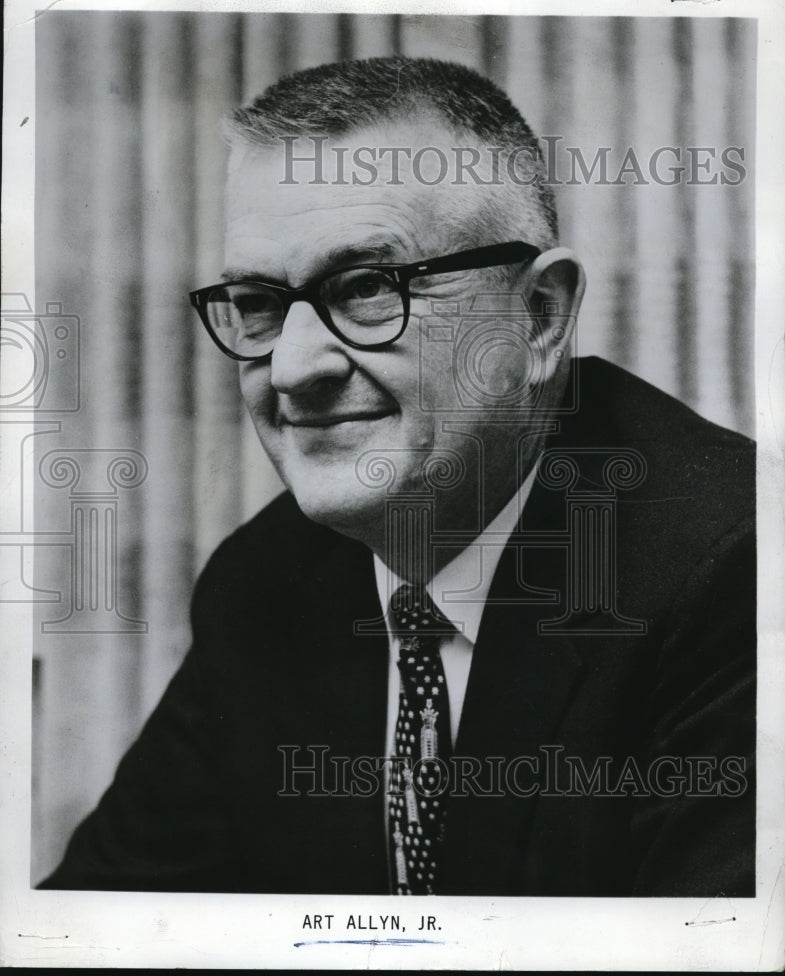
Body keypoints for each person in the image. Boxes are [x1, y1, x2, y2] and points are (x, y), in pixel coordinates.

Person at [40, 56, 755, 897]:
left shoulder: (738, 573)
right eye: (260, 304)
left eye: (369, 287)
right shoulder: (265, 583)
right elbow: (105, 925)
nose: (292, 368)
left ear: (538, 316)